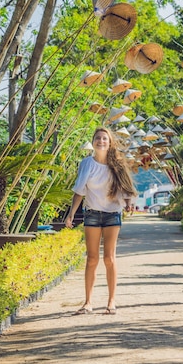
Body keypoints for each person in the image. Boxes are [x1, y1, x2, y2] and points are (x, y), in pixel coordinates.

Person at [65, 127, 137, 315]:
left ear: (110, 142)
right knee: (92, 259)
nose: (101, 141)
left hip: (113, 213)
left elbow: (126, 187)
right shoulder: (86, 164)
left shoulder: (118, 164)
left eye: (105, 138)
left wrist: (129, 203)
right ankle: (88, 302)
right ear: (93, 142)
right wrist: (72, 213)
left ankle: (111, 301)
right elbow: (79, 190)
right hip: (92, 214)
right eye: (98, 138)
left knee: (109, 258)